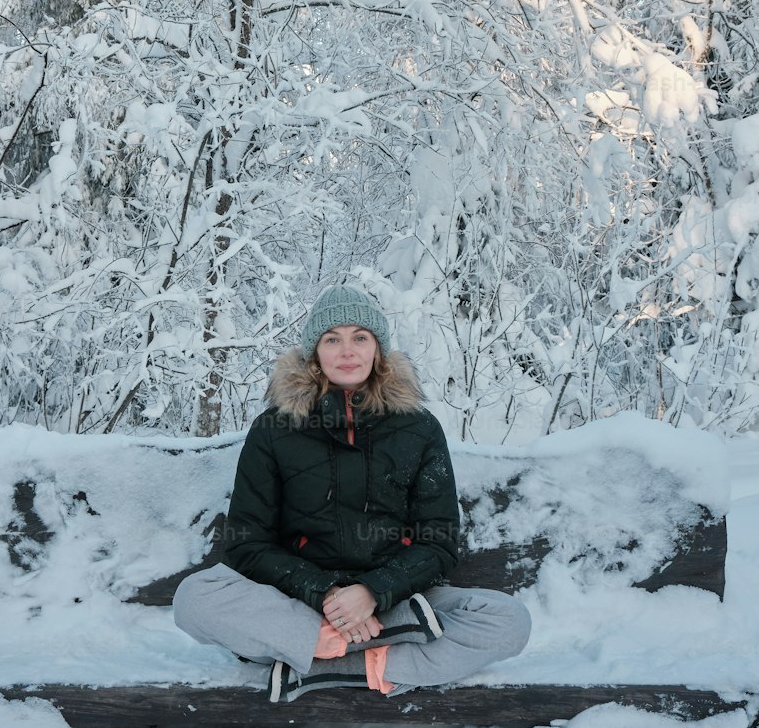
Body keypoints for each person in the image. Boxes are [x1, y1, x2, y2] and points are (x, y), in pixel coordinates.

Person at [173, 284, 531, 704]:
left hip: (396, 599)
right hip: (298, 604)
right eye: (332, 339)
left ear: (378, 349)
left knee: (509, 622)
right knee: (193, 599)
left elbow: (439, 540)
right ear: (315, 353)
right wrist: (324, 595)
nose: (347, 351)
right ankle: (364, 649)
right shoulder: (274, 429)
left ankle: (316, 659)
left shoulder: (419, 428)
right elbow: (247, 544)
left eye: (360, 337)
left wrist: (373, 593)